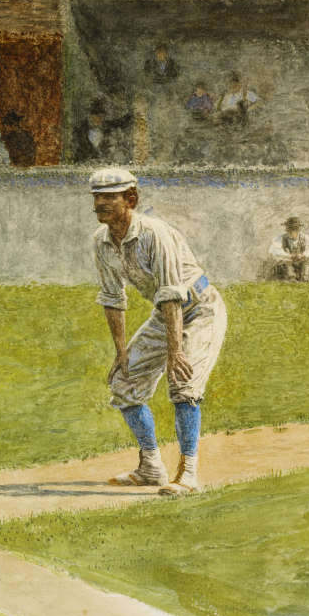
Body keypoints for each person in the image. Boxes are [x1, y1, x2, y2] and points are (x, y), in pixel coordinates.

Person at [89, 167, 227, 495]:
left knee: (183, 384)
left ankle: (188, 473)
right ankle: (151, 466)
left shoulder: (155, 233)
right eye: (97, 197)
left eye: (110, 197)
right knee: (124, 382)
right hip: (165, 314)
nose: (100, 204)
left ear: (131, 199)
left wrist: (175, 349)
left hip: (200, 308)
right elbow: (112, 298)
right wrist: (121, 352)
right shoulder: (102, 242)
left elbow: (171, 292)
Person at [73, 98, 133, 163]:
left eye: (100, 116)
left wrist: (131, 112)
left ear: (103, 116)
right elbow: (77, 153)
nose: (97, 119)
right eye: (94, 116)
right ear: (89, 116)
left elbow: (122, 122)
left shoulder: (108, 126)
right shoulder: (81, 131)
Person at [268, 216, 309, 282]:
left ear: (298, 229)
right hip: (286, 266)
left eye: (295, 228)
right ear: (287, 229)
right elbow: (274, 251)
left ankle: (305, 279)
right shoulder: (280, 238)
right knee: (286, 263)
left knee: (306, 264)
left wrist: (304, 255)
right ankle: (291, 279)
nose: (292, 230)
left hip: (301, 265)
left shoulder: (305, 238)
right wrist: (289, 256)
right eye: (290, 228)